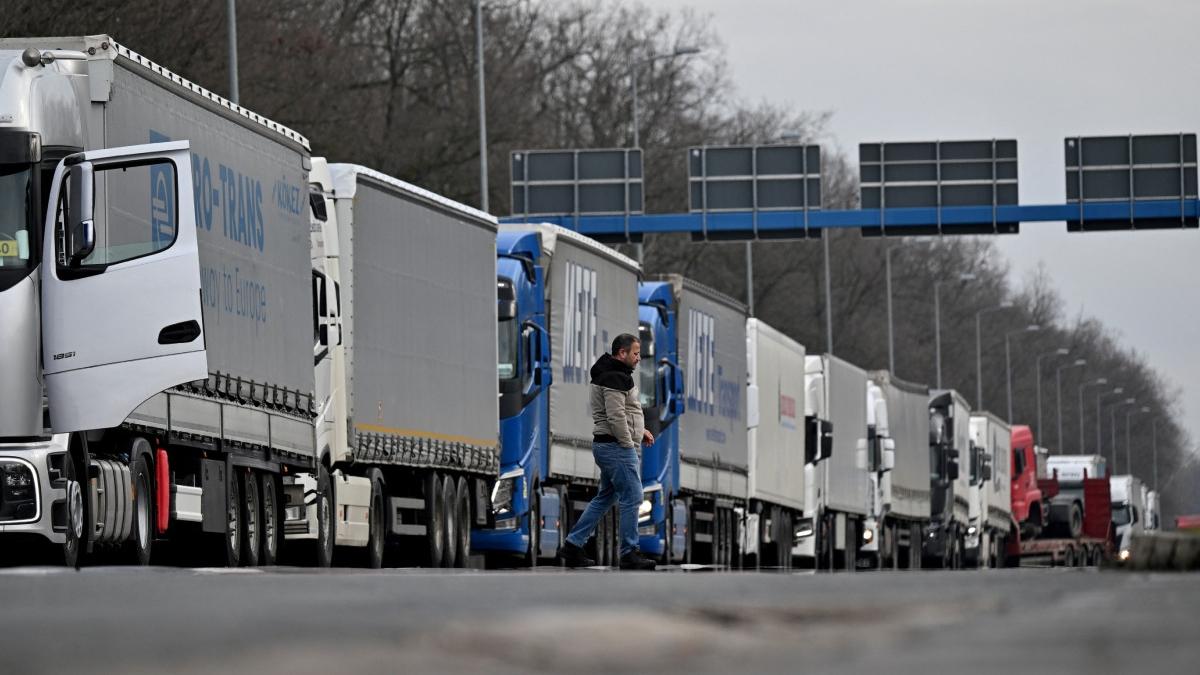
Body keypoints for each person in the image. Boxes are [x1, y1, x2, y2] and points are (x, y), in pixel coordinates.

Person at [559, 333, 657, 570]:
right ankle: (629, 552)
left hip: (609, 444)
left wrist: (639, 431)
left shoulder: (614, 374)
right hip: (616, 446)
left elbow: (624, 411)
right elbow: (615, 416)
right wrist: (628, 443)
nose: (638, 358)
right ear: (621, 353)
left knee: (605, 497)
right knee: (633, 497)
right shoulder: (614, 377)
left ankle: (573, 545)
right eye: (635, 353)